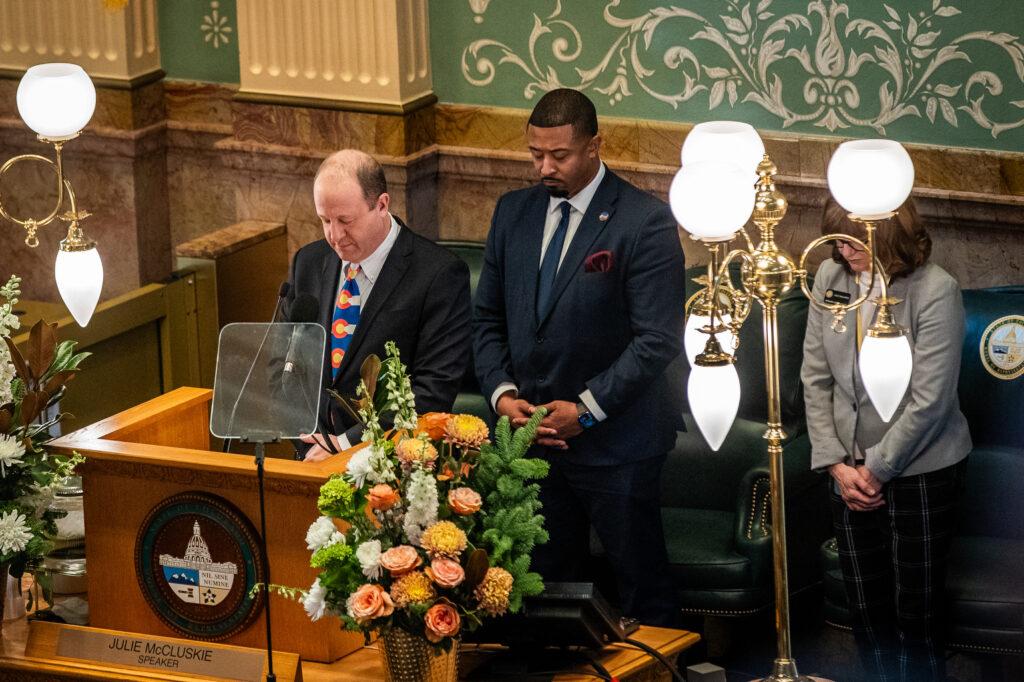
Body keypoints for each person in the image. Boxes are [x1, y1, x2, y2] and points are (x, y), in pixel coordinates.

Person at [472, 88, 687, 626]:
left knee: (641, 584)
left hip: (619, 444)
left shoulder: (644, 221)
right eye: (535, 154)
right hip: (531, 440)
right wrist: (502, 395)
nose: (545, 167)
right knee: (544, 589)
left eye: (559, 155)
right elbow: (487, 319)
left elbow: (656, 340)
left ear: (595, 146)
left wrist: (586, 409)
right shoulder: (512, 214)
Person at [802, 198, 971, 681]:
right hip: (846, 470)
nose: (841, 251)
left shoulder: (936, 290)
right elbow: (815, 377)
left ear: (889, 234)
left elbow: (931, 399)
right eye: (835, 241)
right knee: (865, 608)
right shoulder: (828, 280)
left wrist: (875, 470)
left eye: (852, 242)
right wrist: (836, 464)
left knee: (915, 613)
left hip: (921, 471)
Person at [287, 149, 471, 461]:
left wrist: (345, 445)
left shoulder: (438, 275)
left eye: (345, 220)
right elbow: (285, 362)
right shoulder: (309, 261)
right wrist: (307, 438)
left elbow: (431, 391)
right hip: (310, 457)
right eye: (324, 220)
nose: (334, 235)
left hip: (394, 460)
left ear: (382, 205)